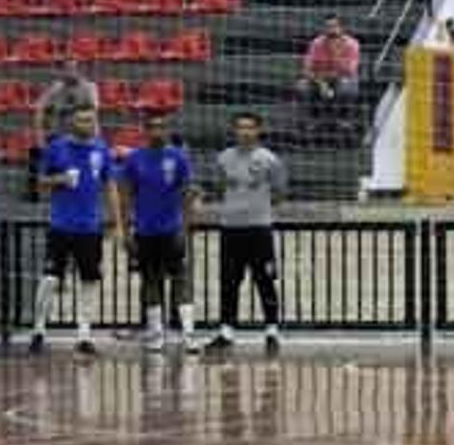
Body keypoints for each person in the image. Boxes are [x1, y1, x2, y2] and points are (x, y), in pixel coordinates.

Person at [30, 104, 120, 357]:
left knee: (89, 279)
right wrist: (58, 180)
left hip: (90, 227)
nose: (86, 125)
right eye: (81, 121)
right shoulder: (56, 148)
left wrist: (116, 221)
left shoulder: (101, 149)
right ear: (71, 122)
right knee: (49, 279)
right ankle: (38, 330)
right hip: (60, 225)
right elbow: (39, 185)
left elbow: (110, 184)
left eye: (90, 120)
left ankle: (84, 335)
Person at [116, 114, 199, 353]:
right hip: (144, 231)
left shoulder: (179, 157)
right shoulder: (134, 159)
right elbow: (125, 196)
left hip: (172, 230)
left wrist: (185, 228)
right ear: (145, 130)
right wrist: (127, 229)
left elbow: (188, 195)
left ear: (168, 129)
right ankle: (156, 333)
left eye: (161, 127)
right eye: (152, 127)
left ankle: (188, 334)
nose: (157, 131)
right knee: (150, 280)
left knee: (180, 279)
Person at [209, 112, 286, 355]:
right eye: (240, 127)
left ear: (258, 131)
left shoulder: (270, 160)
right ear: (234, 131)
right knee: (229, 281)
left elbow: (279, 193)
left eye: (249, 128)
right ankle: (226, 331)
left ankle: (272, 330)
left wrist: (258, 208)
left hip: (259, 229)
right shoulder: (223, 159)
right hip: (231, 229)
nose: (245, 132)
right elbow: (219, 187)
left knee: (265, 280)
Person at [29, 56, 99, 202]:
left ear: (80, 70)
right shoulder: (56, 88)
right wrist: (40, 137)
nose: (70, 72)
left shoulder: (89, 88)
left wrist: (95, 138)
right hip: (58, 137)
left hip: (79, 137)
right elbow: (39, 109)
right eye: (67, 69)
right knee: (36, 152)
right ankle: (38, 196)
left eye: (73, 69)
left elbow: (94, 114)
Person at [296, 17, 361, 143]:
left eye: (334, 26)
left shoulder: (352, 44)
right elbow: (307, 69)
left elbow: (349, 70)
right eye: (327, 27)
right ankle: (313, 119)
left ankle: (343, 119)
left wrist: (336, 54)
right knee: (302, 86)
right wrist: (322, 83)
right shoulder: (316, 43)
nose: (330, 30)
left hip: (343, 79)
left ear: (342, 28)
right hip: (320, 80)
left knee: (346, 85)